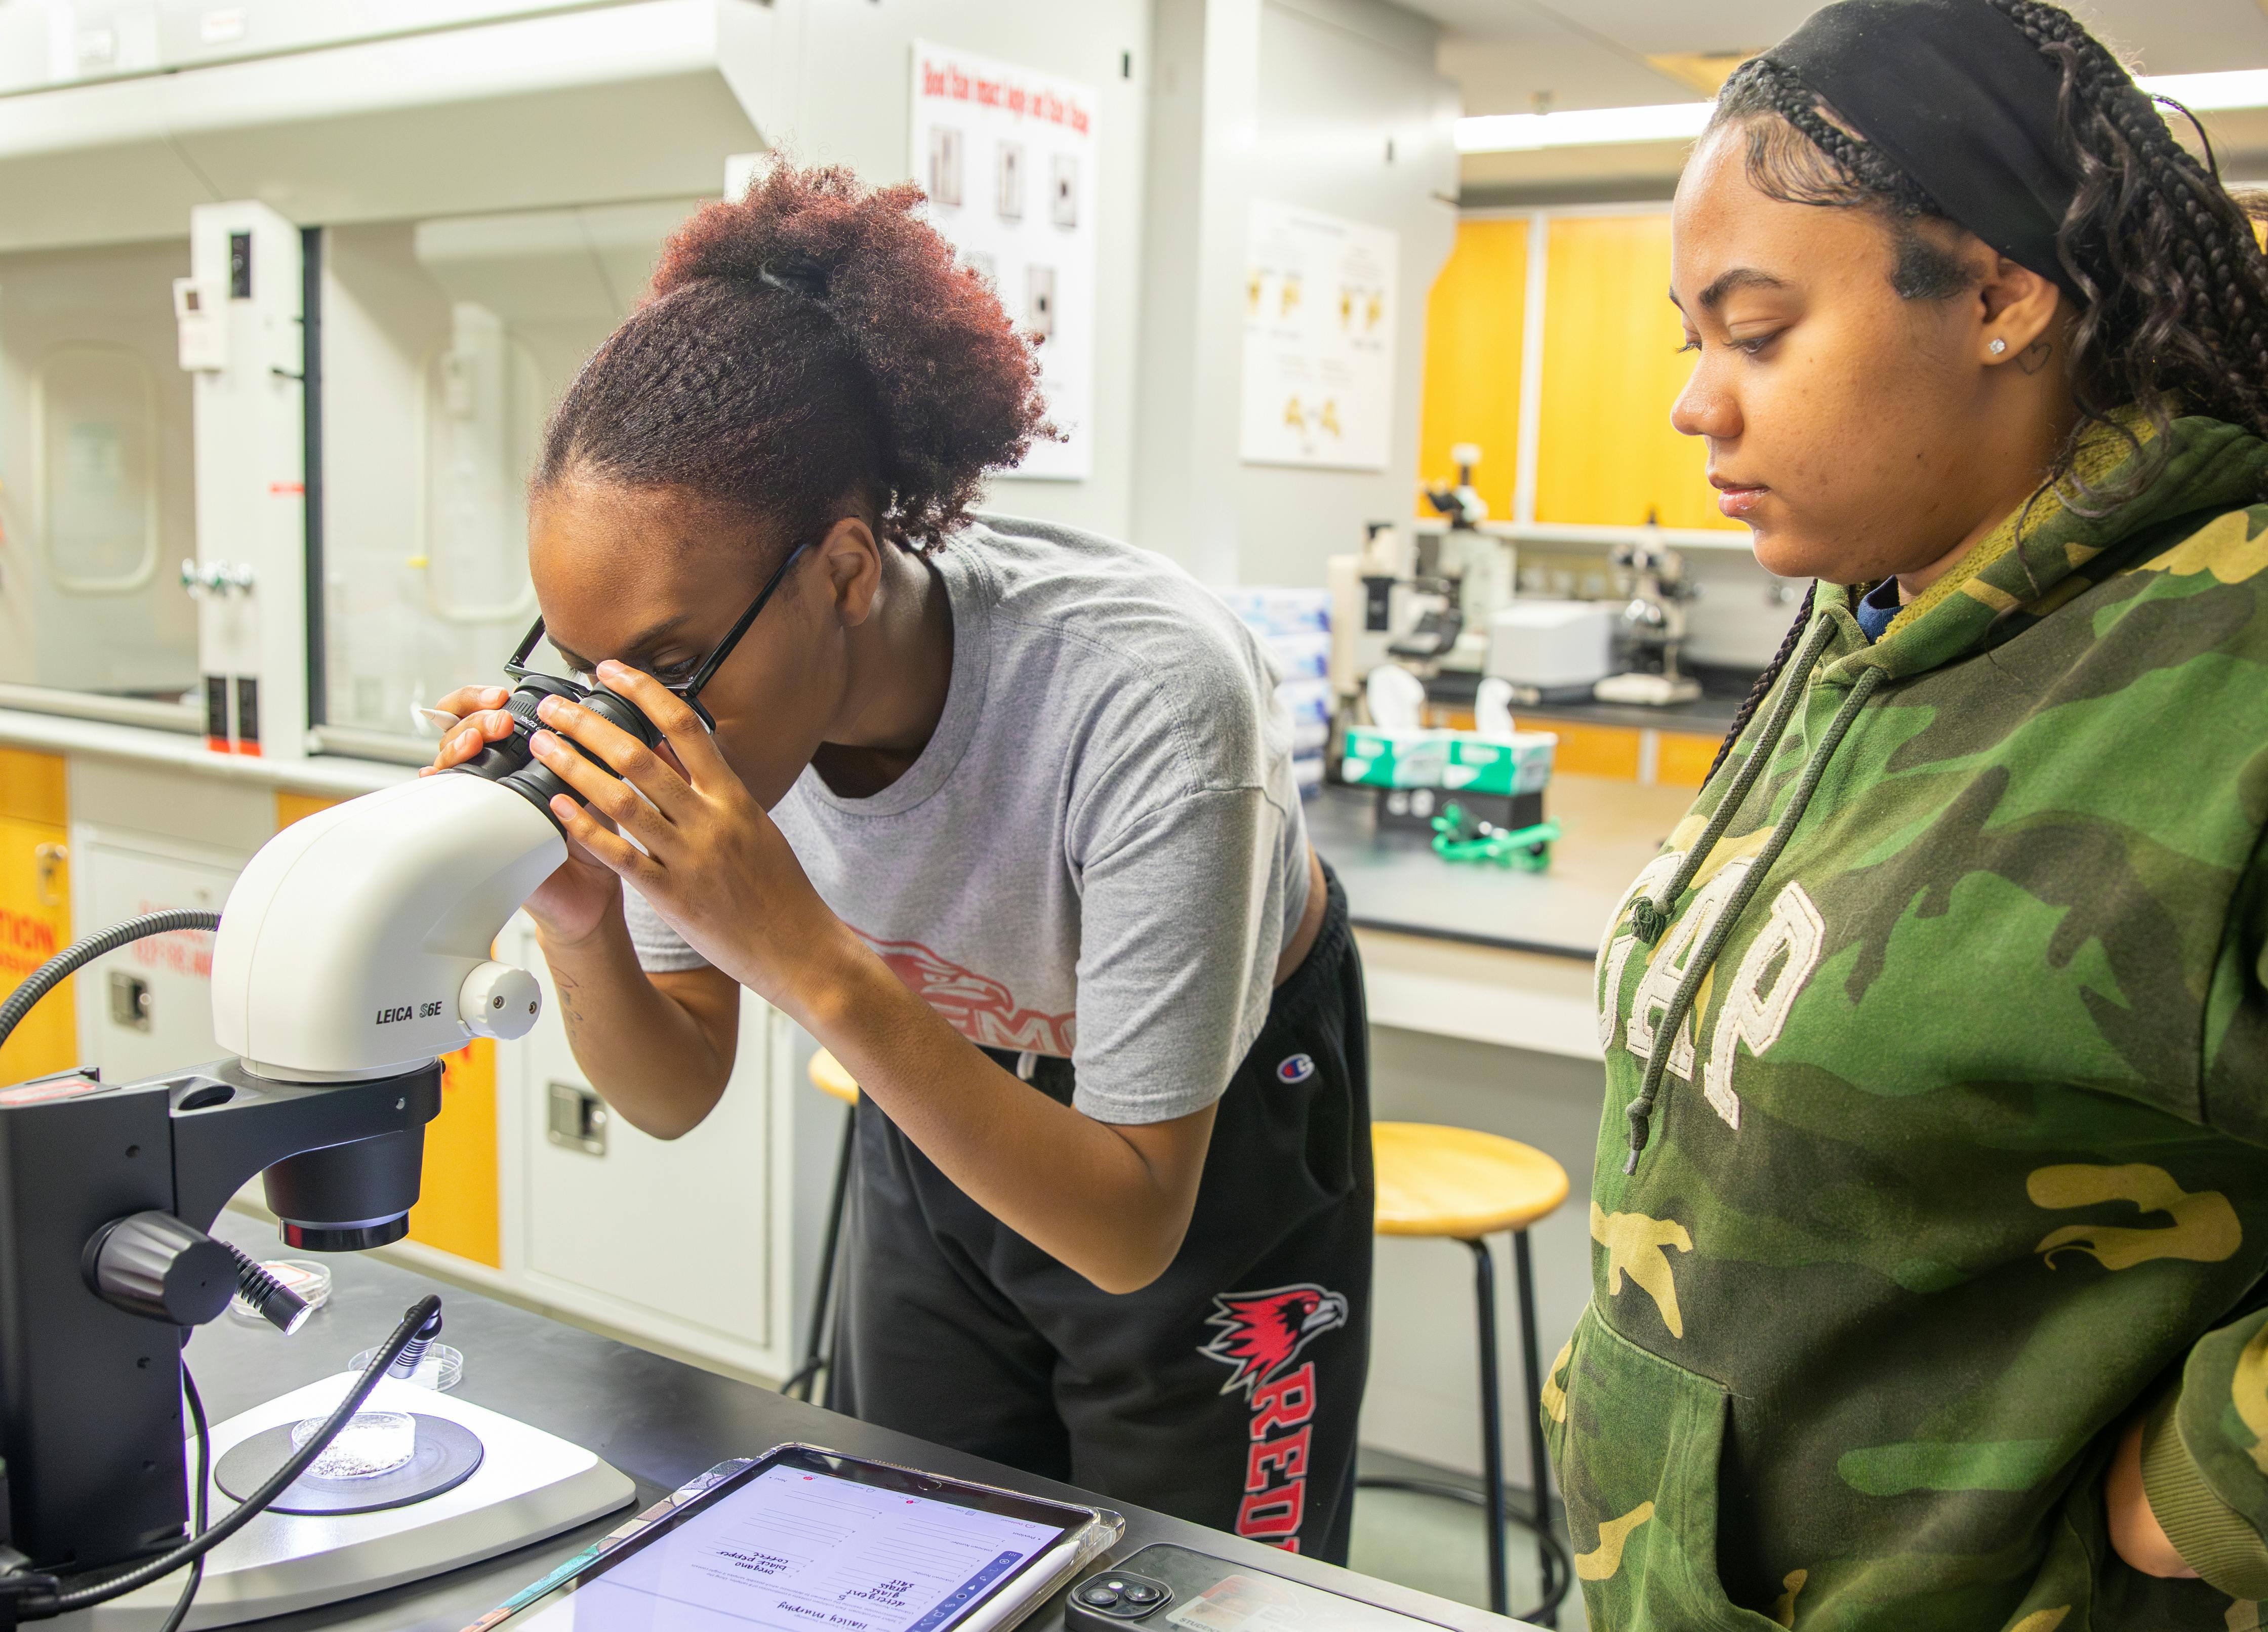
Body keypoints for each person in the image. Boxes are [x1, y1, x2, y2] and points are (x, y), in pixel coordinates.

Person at [423, 163, 1372, 1561]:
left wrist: (803, 949)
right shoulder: (723, 725)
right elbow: (676, 1085)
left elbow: (1127, 1228)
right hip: (930, 1081)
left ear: (848, 571)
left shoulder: (1146, 700)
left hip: (1201, 1144)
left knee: (1187, 1586)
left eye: (673, 665)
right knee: (916, 1537)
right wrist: (581, 923)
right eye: (591, 673)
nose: (641, 716)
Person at [1563, 0, 2268, 1625]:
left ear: (2001, 299)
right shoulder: (1869, 608)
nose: (1696, 403)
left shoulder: (2231, 666)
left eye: (1756, 332)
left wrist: (2201, 1491)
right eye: (1695, 342)